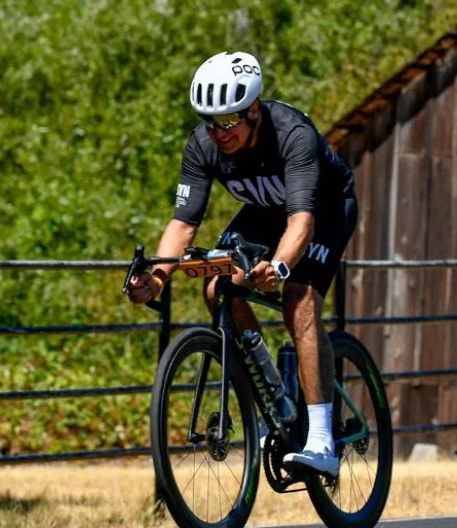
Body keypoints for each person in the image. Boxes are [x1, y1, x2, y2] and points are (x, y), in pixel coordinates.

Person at [126, 51, 357, 477]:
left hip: (324, 209)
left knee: (298, 299)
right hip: (266, 212)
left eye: (229, 121)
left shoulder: (292, 134)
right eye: (210, 121)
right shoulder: (202, 146)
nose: (219, 133)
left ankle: (322, 440)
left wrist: (280, 267)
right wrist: (157, 278)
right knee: (216, 287)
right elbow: (183, 223)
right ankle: (277, 400)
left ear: (253, 110)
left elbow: (302, 222)